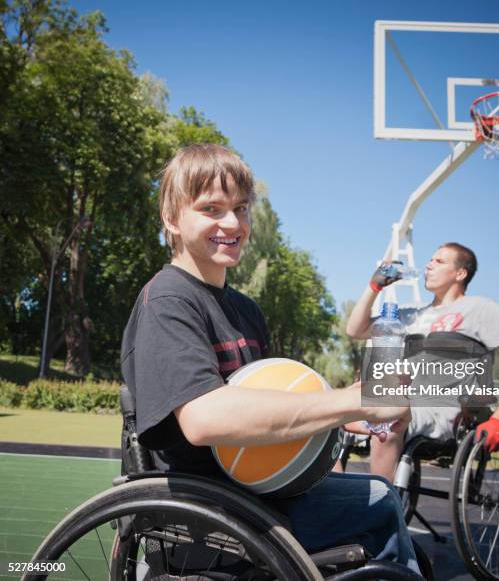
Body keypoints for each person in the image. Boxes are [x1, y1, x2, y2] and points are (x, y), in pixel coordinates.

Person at [121, 144, 422, 575]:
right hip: (207, 513)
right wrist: (352, 401)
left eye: (241, 209)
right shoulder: (168, 300)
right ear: (172, 218)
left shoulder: (246, 310)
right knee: (379, 505)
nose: (232, 223)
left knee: (380, 493)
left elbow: (266, 406)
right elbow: (205, 418)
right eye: (211, 209)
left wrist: (353, 416)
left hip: (255, 492)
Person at [345, 243, 499, 482]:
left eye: (439, 261)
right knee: (326, 413)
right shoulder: (411, 314)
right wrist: (374, 287)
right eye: (430, 260)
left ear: (460, 273)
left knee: (388, 416)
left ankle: (380, 511)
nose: (429, 265)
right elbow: (355, 329)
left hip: (445, 411)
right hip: (400, 400)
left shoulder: (481, 310)